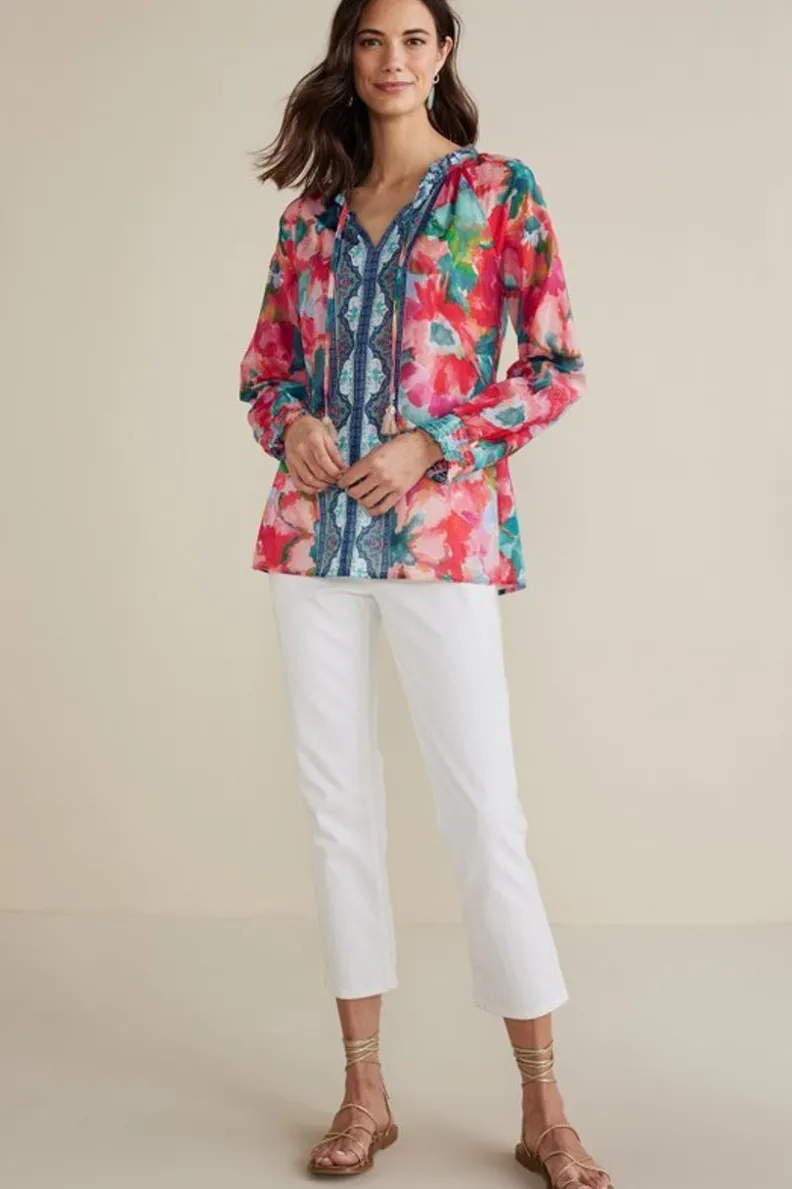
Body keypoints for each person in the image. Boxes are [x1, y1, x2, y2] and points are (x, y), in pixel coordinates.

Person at [238, 1, 613, 1185]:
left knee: (482, 812)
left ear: (443, 54)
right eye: (371, 40)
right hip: (312, 542)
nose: (391, 60)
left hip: (441, 541)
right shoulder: (310, 218)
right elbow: (262, 375)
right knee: (336, 809)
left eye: (413, 40)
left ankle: (545, 1108)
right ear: (348, 57)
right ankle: (365, 1092)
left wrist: (431, 444)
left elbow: (554, 367)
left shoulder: (498, 193)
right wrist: (293, 425)